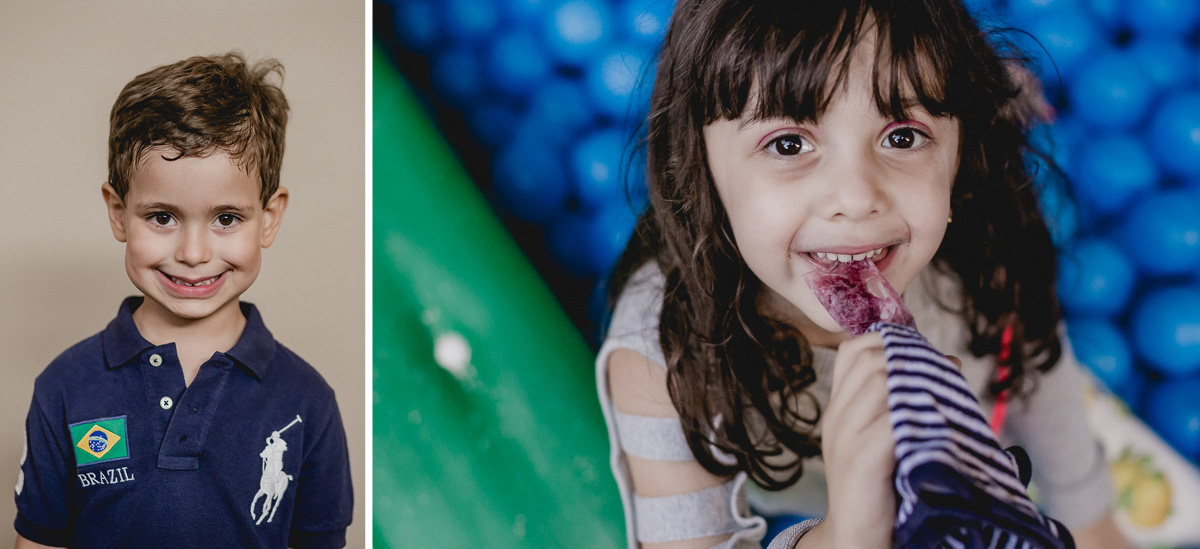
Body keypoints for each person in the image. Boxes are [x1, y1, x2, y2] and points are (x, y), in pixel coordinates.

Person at [596, 0, 1129, 547]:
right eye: (788, 143)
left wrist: (1087, 513)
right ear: (700, 171)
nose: (855, 199)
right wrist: (843, 533)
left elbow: (1035, 362)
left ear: (960, 152)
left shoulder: (983, 238)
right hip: (793, 502)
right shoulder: (660, 355)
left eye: (902, 136)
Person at [14, 53, 353, 549]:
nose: (193, 254)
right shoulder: (64, 386)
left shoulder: (308, 401)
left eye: (227, 219)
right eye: (162, 217)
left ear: (270, 217)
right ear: (117, 213)